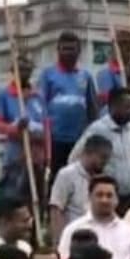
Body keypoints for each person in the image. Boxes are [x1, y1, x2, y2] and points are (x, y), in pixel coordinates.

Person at [68, 87, 130, 215]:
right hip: (109, 198)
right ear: (113, 106)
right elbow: (74, 159)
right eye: (127, 107)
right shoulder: (98, 129)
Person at [39, 31, 98, 185]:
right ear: (58, 50)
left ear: (79, 51)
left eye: (72, 49)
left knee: (79, 179)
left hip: (79, 139)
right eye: (64, 49)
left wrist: (93, 135)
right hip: (55, 138)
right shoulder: (48, 75)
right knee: (56, 178)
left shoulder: (86, 76)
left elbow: (93, 108)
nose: (68, 53)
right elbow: (40, 107)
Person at [0, 55, 49, 205]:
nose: (24, 73)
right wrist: (15, 128)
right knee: (13, 198)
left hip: (36, 156)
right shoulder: (3, 95)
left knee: (35, 200)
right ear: (13, 71)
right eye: (20, 69)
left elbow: (46, 126)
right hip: (14, 156)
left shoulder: (38, 96)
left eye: (27, 70)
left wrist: (47, 156)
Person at [49, 134, 113, 243]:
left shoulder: (103, 177)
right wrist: (60, 241)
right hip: (74, 238)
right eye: (102, 158)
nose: (105, 162)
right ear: (89, 153)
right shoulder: (67, 174)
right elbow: (56, 209)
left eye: (107, 158)